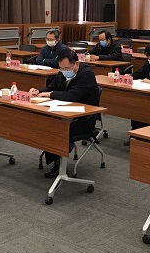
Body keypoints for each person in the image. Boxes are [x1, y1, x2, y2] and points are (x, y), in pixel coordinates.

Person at [29, 49, 99, 178]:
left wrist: (50, 94)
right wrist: (38, 91)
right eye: (61, 68)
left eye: (66, 68)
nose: (64, 71)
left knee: (55, 128)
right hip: (63, 113)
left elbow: (72, 95)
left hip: (83, 119)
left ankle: (59, 164)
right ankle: (57, 157)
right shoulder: (63, 72)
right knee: (44, 123)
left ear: (76, 63)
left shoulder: (87, 74)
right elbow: (51, 87)